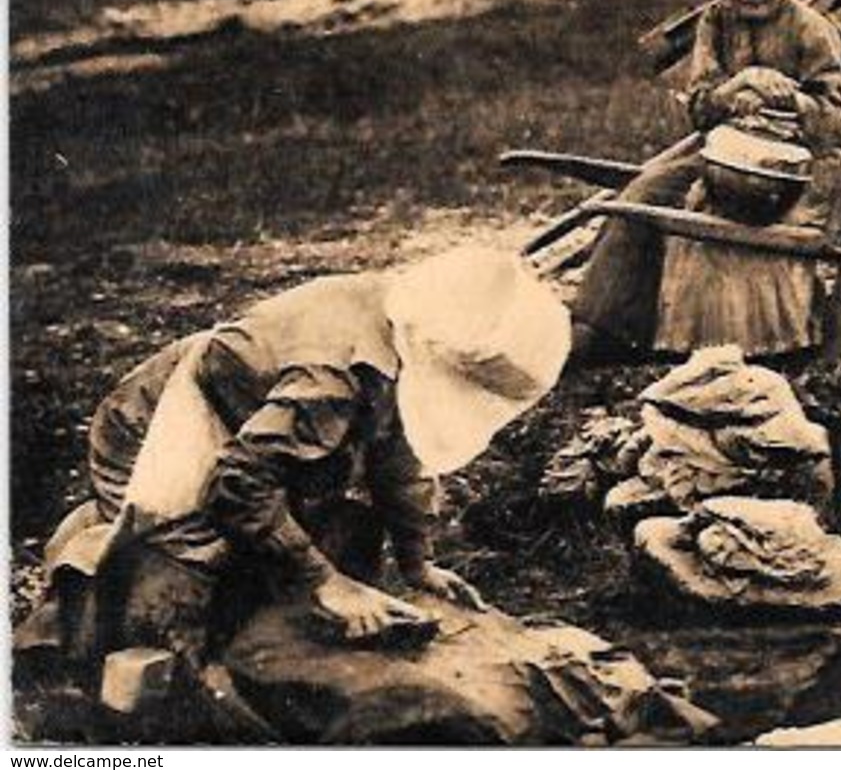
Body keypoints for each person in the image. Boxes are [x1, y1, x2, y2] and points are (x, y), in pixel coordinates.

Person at [20, 246, 571, 676]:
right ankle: (82, 595)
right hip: (161, 426)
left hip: (261, 418)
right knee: (195, 592)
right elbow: (238, 483)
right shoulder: (331, 380)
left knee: (297, 549)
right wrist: (324, 581)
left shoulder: (408, 334)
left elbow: (399, 452)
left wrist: (416, 561)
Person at [571, 0, 841, 362]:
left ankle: (763, 342)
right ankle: (606, 329)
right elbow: (700, 109)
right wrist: (731, 90)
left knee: (733, 214)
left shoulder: (810, 29)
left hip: (802, 170)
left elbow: (840, 125)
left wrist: (793, 99)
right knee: (643, 195)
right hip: (728, 156)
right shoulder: (715, 20)